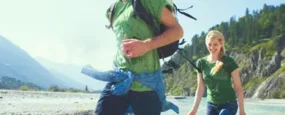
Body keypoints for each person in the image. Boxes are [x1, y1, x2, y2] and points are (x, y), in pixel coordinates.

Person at [85, 0, 183, 115]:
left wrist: (146, 45)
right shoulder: (112, 10)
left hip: (147, 85)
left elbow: (177, 31)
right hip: (118, 80)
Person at [188, 30, 246, 115]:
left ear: (221, 44)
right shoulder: (201, 63)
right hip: (211, 105)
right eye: (209, 44)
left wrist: (242, 111)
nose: (212, 47)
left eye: (215, 44)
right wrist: (194, 110)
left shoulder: (229, 62)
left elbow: (238, 88)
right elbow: (200, 88)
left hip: (229, 104)